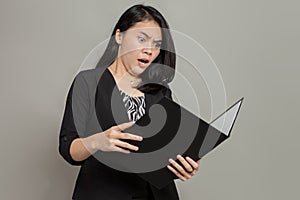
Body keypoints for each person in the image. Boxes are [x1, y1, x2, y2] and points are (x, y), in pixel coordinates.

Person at [59, 4, 201, 200]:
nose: (149, 50)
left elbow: (162, 156)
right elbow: (68, 150)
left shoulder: (160, 93)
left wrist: (183, 165)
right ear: (119, 36)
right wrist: (99, 141)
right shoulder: (88, 82)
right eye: (142, 39)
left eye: (157, 44)